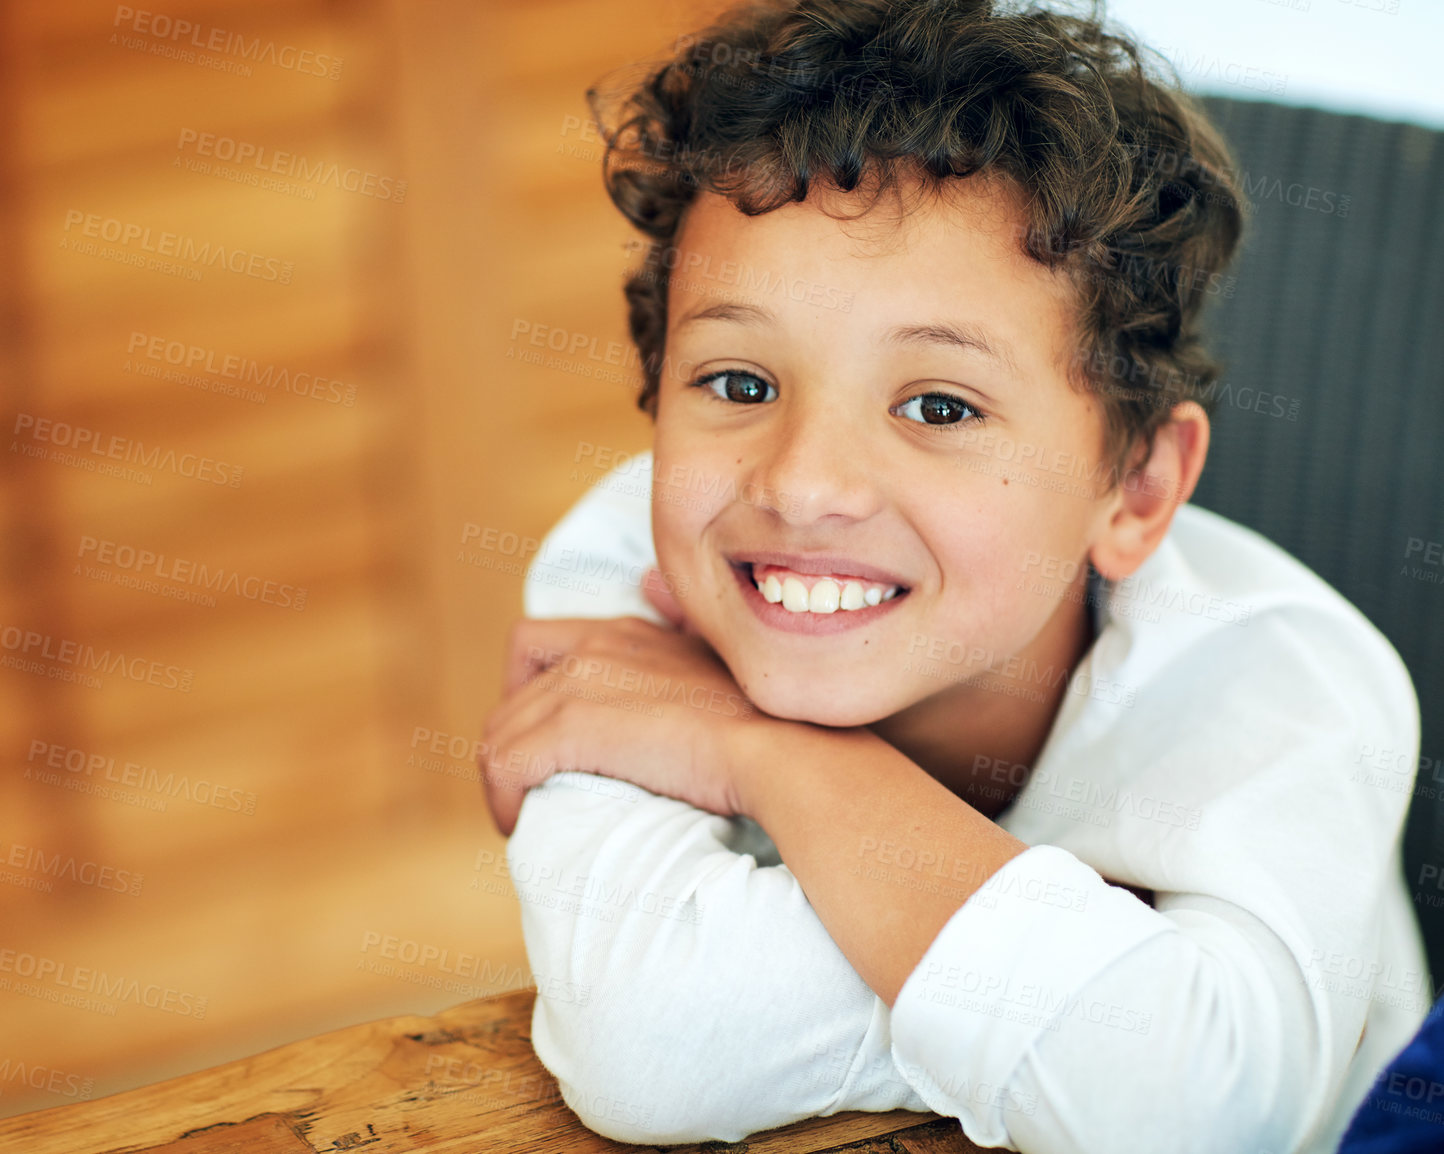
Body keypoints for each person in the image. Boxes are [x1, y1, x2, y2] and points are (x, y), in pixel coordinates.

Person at [474, 1, 1430, 1150]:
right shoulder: (625, 562)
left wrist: (756, 748)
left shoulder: (1291, 685)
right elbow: (651, 1047)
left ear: (1134, 489)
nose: (803, 484)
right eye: (736, 382)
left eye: (938, 405)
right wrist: (1093, 996)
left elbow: (1208, 1115)